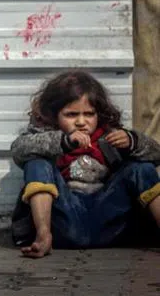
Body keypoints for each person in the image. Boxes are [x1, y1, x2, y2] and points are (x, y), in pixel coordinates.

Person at [10, 70, 160, 259]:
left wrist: (133, 142)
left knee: (142, 169)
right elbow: (18, 149)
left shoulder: (109, 136)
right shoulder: (48, 138)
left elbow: (156, 155)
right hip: (65, 221)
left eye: (89, 114)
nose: (81, 122)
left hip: (108, 220)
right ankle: (43, 236)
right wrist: (64, 141)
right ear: (54, 115)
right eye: (71, 115)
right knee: (37, 164)